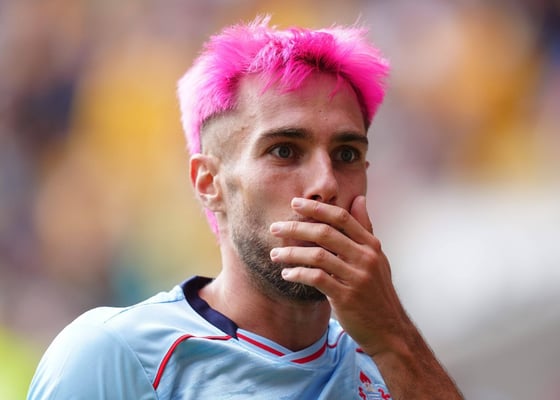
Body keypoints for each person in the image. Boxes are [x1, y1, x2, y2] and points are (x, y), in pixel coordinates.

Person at [28, 16, 463, 399]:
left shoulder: (395, 367)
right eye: (284, 151)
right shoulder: (116, 357)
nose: (325, 183)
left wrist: (394, 339)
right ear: (209, 183)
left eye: (346, 154)